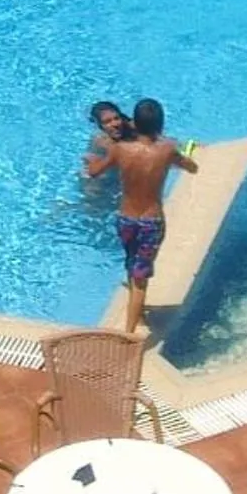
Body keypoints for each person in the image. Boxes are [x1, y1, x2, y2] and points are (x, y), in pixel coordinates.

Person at [87, 98, 195, 335]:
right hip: (150, 222)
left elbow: (93, 172)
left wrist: (92, 162)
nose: (115, 123)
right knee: (141, 280)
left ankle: (136, 305)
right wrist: (186, 158)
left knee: (131, 261)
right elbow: (191, 167)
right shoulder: (166, 149)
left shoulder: (118, 149)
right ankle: (129, 331)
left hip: (125, 220)